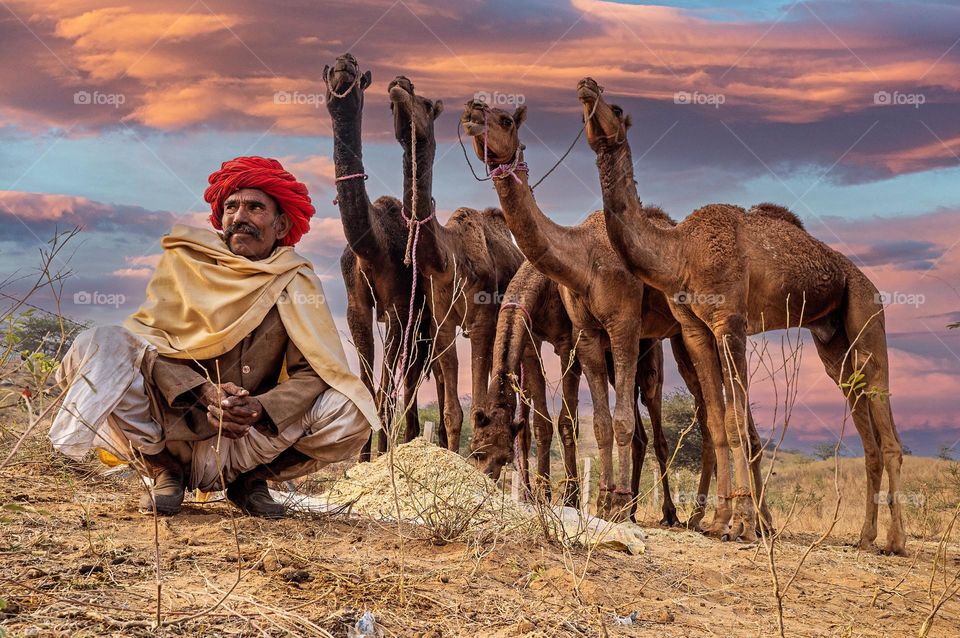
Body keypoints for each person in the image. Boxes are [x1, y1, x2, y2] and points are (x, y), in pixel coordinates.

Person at [49, 156, 379, 518]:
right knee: (105, 342)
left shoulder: (296, 281)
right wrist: (206, 393)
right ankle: (163, 473)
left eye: (255, 207)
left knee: (353, 407)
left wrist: (260, 408)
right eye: (231, 207)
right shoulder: (187, 262)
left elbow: (316, 372)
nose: (240, 217)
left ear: (281, 223)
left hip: (246, 438)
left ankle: (251, 482)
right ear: (220, 219)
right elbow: (149, 346)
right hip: (166, 429)